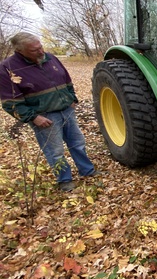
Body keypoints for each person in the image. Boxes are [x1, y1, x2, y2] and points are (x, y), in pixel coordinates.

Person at [0, 32, 99, 191]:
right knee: (55, 151)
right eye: (34, 50)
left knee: (77, 143)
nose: (40, 52)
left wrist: (72, 98)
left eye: (41, 47)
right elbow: (10, 103)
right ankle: (64, 180)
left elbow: (66, 79)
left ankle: (87, 170)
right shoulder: (8, 68)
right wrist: (33, 118)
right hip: (44, 116)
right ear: (20, 51)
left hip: (66, 110)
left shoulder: (50, 57)